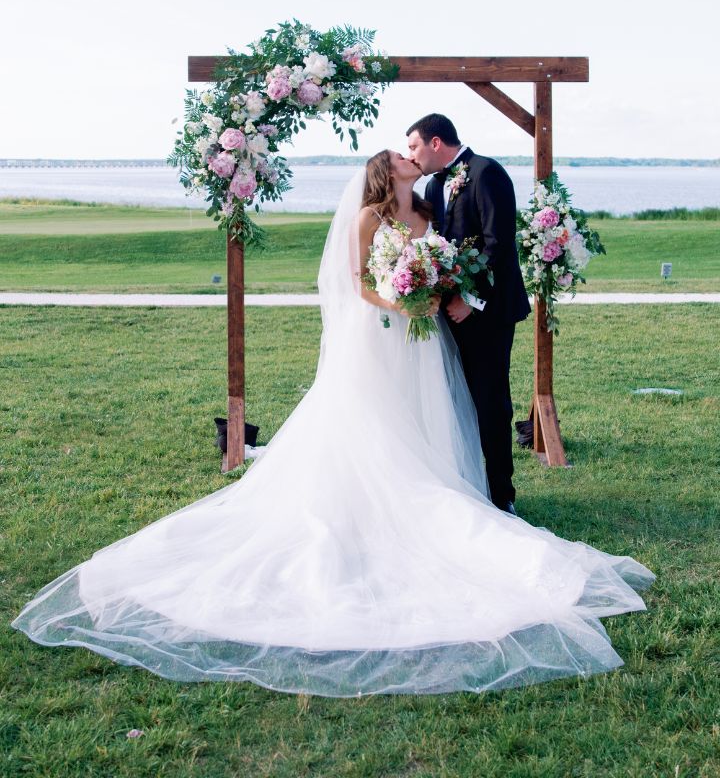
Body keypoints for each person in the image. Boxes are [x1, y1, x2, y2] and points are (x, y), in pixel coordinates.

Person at [11, 150, 654, 698]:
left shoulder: (427, 209)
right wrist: (403, 298)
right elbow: (361, 282)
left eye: (412, 151)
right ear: (385, 172)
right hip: (380, 333)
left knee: (428, 417)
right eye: (400, 156)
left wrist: (432, 287)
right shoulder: (371, 216)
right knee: (374, 422)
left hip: (425, 342)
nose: (410, 158)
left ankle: (448, 487)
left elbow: (447, 255)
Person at [407, 113, 530, 514]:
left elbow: (499, 246)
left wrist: (470, 301)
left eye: (414, 146)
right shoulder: (434, 184)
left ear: (435, 142)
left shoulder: (487, 173)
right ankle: (465, 487)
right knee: (452, 402)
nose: (412, 154)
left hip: (488, 313)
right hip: (447, 314)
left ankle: (501, 495)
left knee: (490, 401)